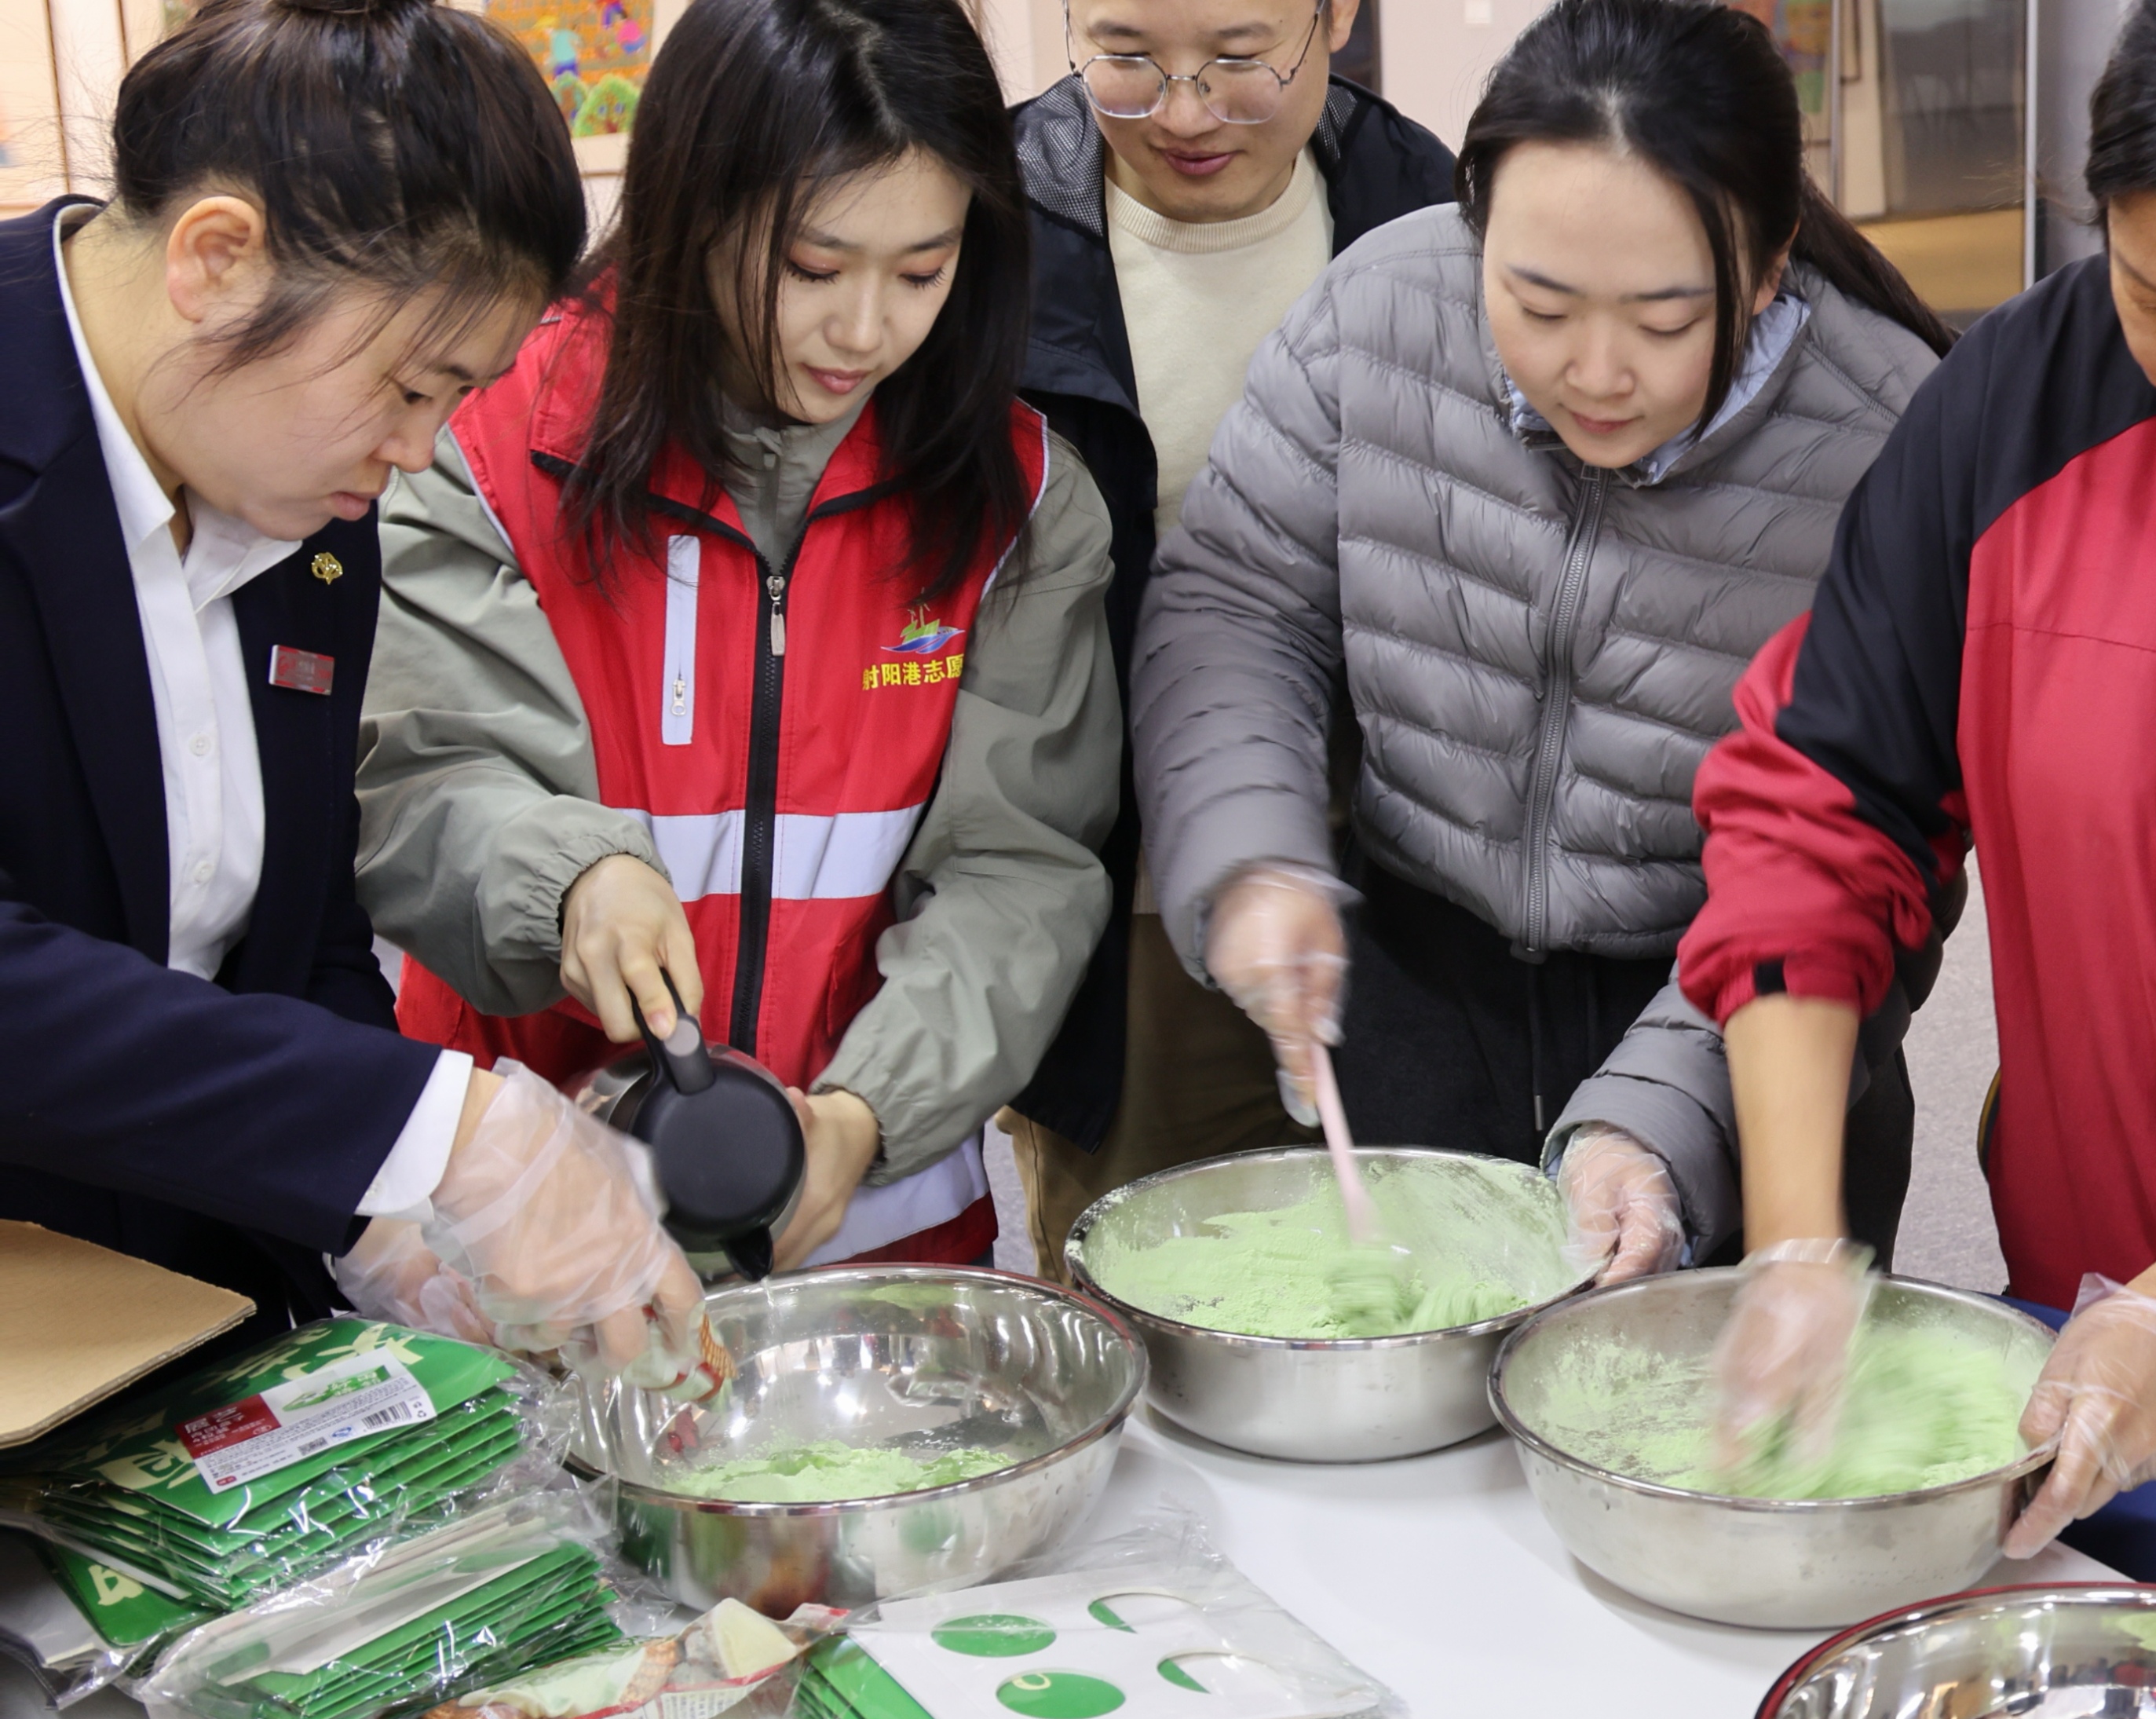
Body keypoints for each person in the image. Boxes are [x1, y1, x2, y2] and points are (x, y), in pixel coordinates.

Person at [1131, 0, 1953, 1280]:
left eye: (1668, 320)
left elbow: (1876, 843)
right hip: (1419, 983)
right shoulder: (1381, 308)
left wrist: (1659, 1117)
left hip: (1743, 1015)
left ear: (1774, 255)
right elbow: (1234, 600)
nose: (1598, 372)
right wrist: (1250, 856)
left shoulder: (1895, 434)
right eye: (1538, 301)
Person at [1683, 0, 2156, 1545]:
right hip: (2087, 1351)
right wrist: (1792, 1244)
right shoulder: (2017, 408)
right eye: (2150, 293)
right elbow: (1820, 807)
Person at [0, 0, 712, 1389]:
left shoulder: (302, 495)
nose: (420, 449)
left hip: (187, 1330)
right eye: (406, 385)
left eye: (457, 398)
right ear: (215, 258)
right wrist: (433, 1127)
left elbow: (303, 930)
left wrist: (383, 1219)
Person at [356, 0, 1119, 1273]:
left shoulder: (1019, 504)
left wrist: (861, 1117)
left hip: (882, 1238)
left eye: (922, 272)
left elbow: (1019, 872)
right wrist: (573, 880)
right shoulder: (482, 448)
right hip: (530, 1226)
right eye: (814, 269)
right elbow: (427, 783)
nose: (866, 330)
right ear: (693, 212)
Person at [996, 0, 1456, 1280]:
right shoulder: (990, 224)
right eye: (1128, 60)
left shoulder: (1431, 210)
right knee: (1152, 1305)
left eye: (1241, 60)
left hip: (1407, 899)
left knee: (1417, 1297)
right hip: (1114, 912)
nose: (1186, 112)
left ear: (1337, 16)